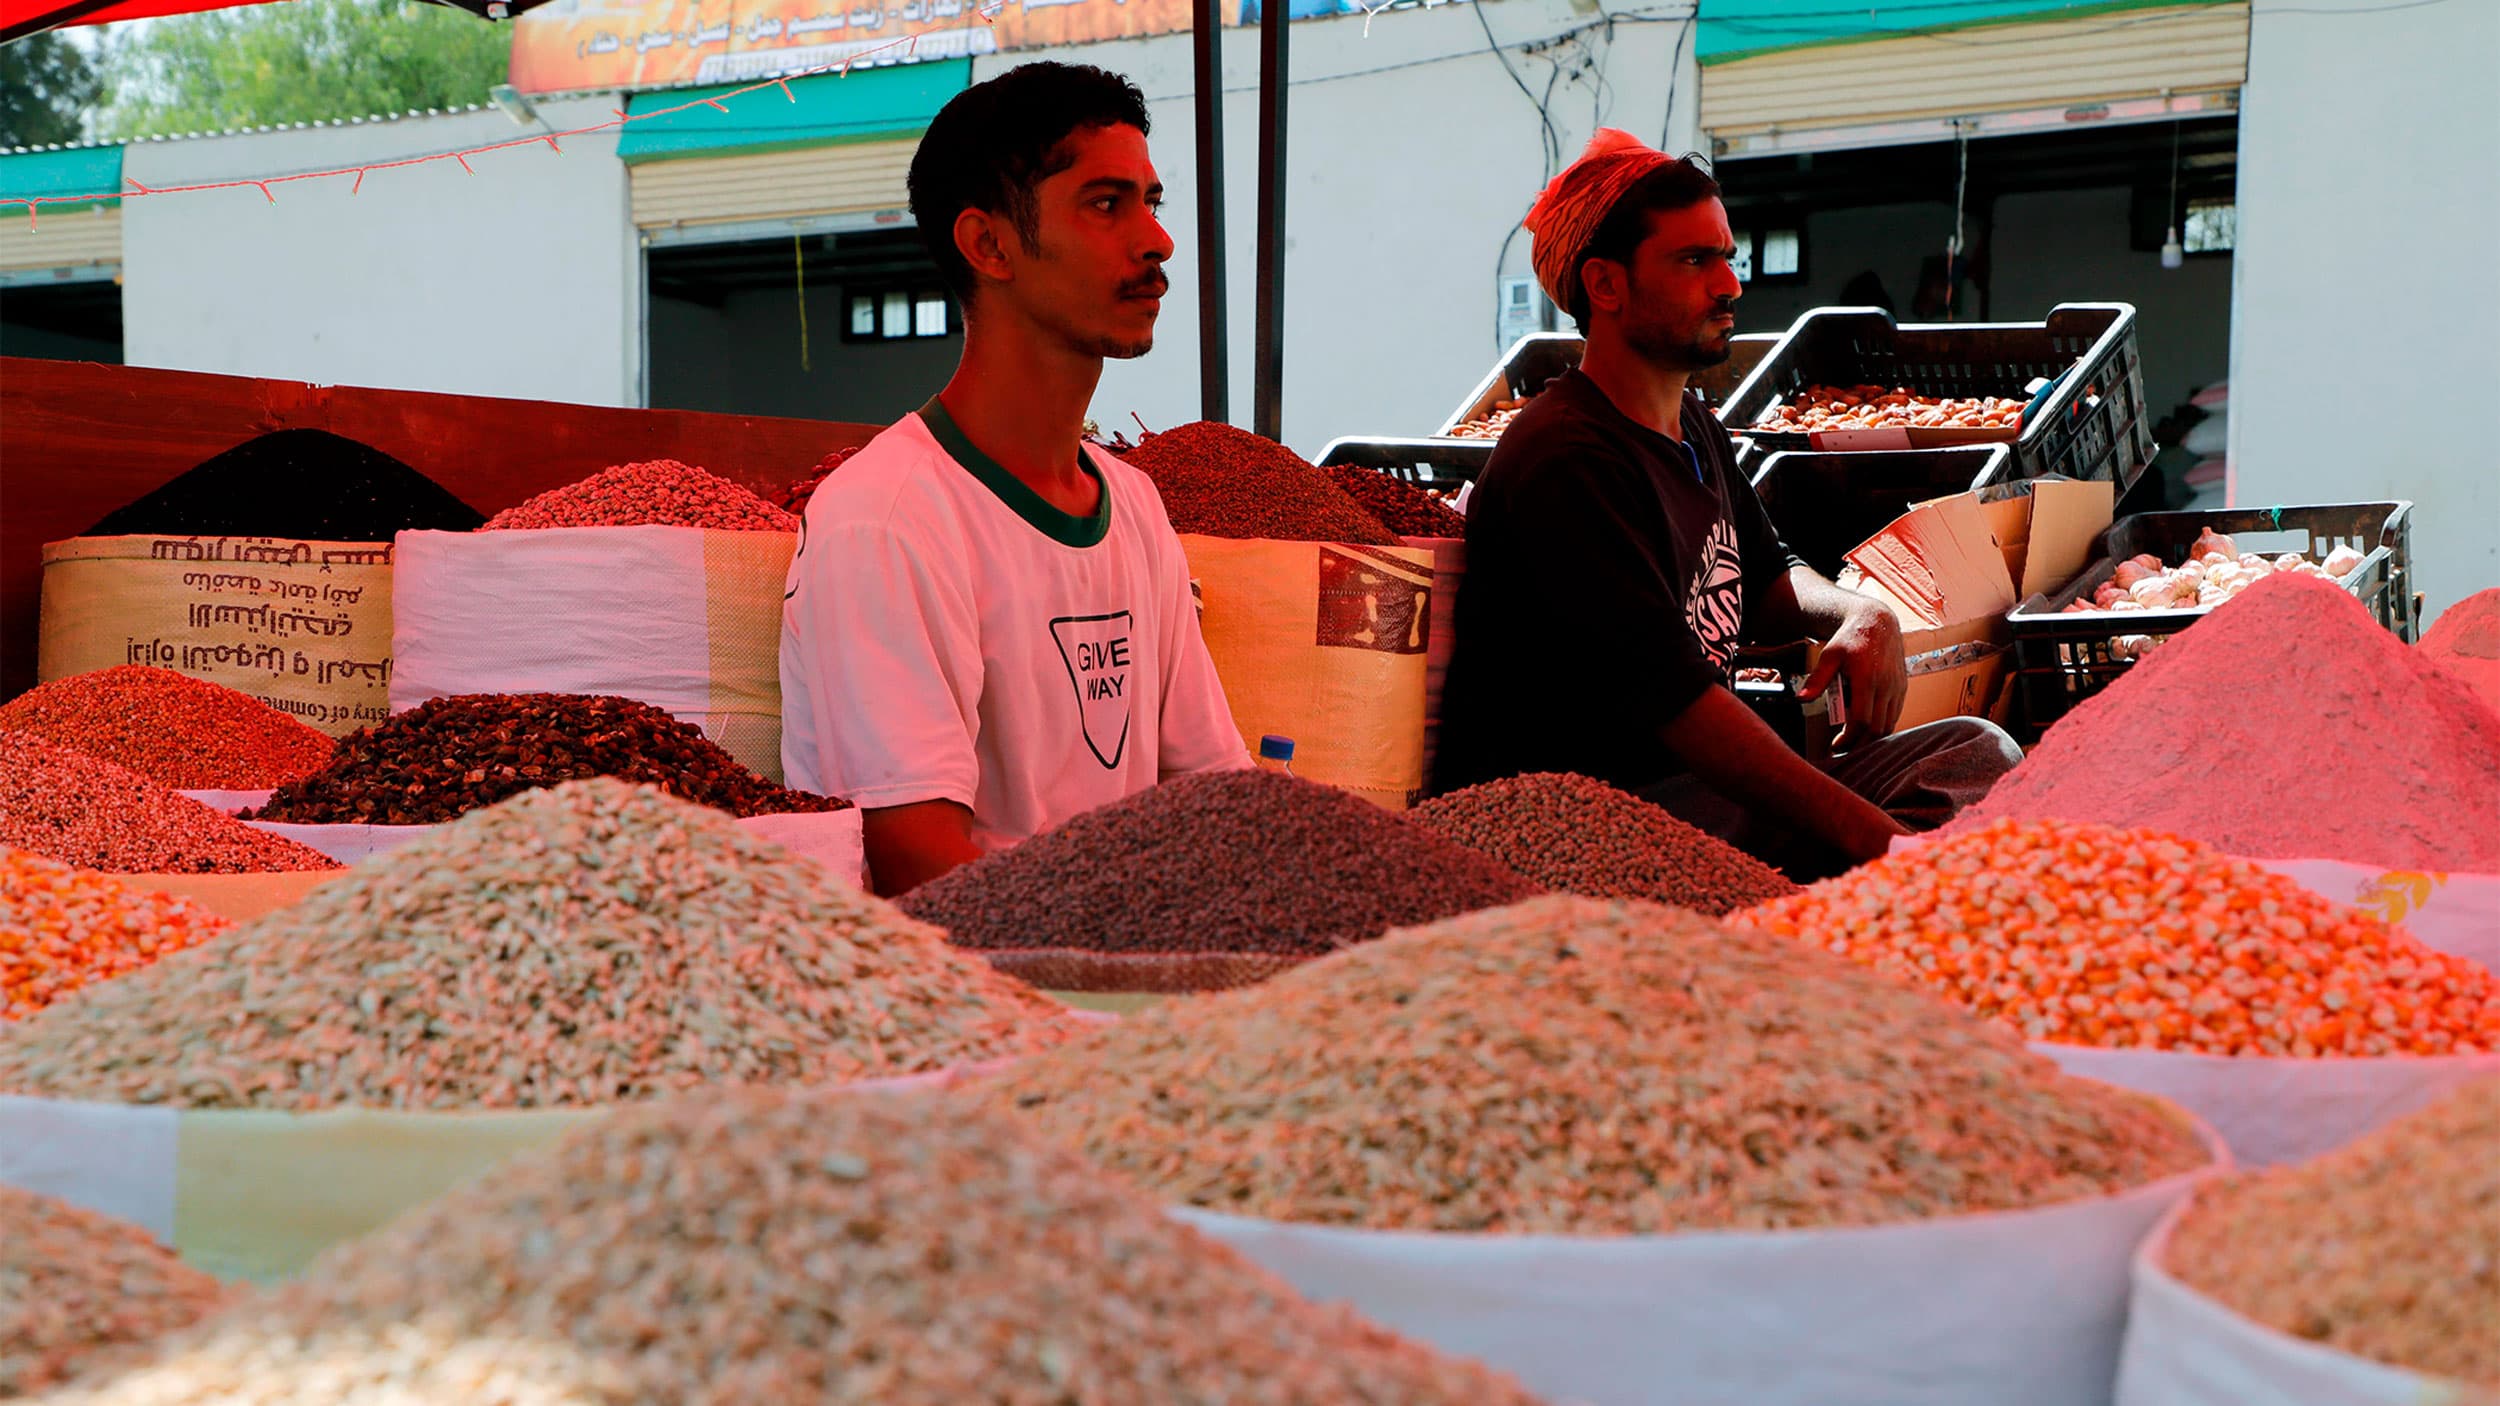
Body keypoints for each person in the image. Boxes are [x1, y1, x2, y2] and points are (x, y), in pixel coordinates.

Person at [1430, 130, 2022, 880]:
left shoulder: (1691, 425)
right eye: (1693, 261)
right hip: (1608, 820)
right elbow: (1682, 709)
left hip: (1702, 797)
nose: (1730, 285)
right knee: (1886, 844)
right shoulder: (1565, 462)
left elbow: (1768, 581)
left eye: (1727, 257)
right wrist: (1889, 848)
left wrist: (1858, 614)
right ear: (1606, 286)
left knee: (1973, 752)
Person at [779, 62, 1248, 896]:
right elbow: (920, 861)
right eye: (1107, 204)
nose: (1158, 241)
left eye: (1153, 202)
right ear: (989, 245)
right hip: (983, 1003)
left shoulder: (1134, 507)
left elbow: (1218, 798)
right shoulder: (885, 520)